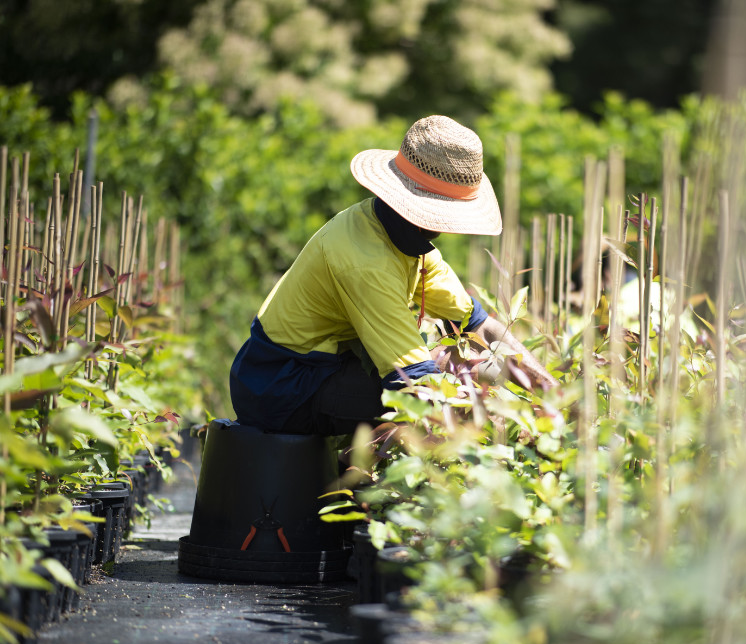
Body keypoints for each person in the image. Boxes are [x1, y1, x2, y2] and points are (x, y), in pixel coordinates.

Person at [229, 115, 557, 436]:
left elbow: (480, 324)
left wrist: (548, 388)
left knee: (468, 368)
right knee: (461, 386)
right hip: (281, 385)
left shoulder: (408, 241)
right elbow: (414, 381)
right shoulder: (366, 260)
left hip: (325, 367)